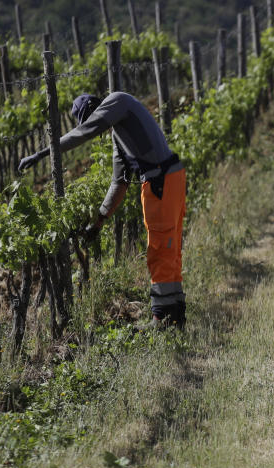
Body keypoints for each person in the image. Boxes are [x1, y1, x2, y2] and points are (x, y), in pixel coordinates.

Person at [17, 92, 187, 328]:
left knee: (160, 249)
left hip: (161, 182)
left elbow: (84, 132)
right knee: (169, 248)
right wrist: (99, 220)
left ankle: (162, 318)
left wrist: (43, 154)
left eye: (92, 119)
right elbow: (119, 183)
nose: (95, 125)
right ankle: (176, 314)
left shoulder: (118, 101)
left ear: (96, 110)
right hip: (170, 178)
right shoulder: (119, 136)